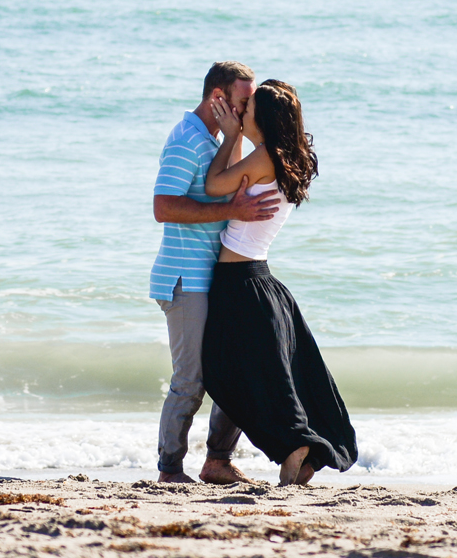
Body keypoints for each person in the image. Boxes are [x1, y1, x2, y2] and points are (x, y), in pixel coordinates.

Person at [201, 80, 358, 486]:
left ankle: (293, 446)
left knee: (226, 373)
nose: (241, 112)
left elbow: (213, 185)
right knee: (267, 378)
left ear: (263, 118)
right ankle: (298, 455)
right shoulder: (282, 157)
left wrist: (230, 136)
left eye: (247, 108)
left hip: (239, 282)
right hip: (260, 279)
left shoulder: (265, 157)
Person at [150, 61, 283, 484]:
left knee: (236, 371)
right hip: (185, 280)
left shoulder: (220, 140)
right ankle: (170, 469)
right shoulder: (187, 140)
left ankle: (217, 461)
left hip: (217, 279)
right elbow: (163, 207)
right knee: (191, 381)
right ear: (218, 99)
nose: (250, 109)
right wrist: (232, 210)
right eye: (245, 101)